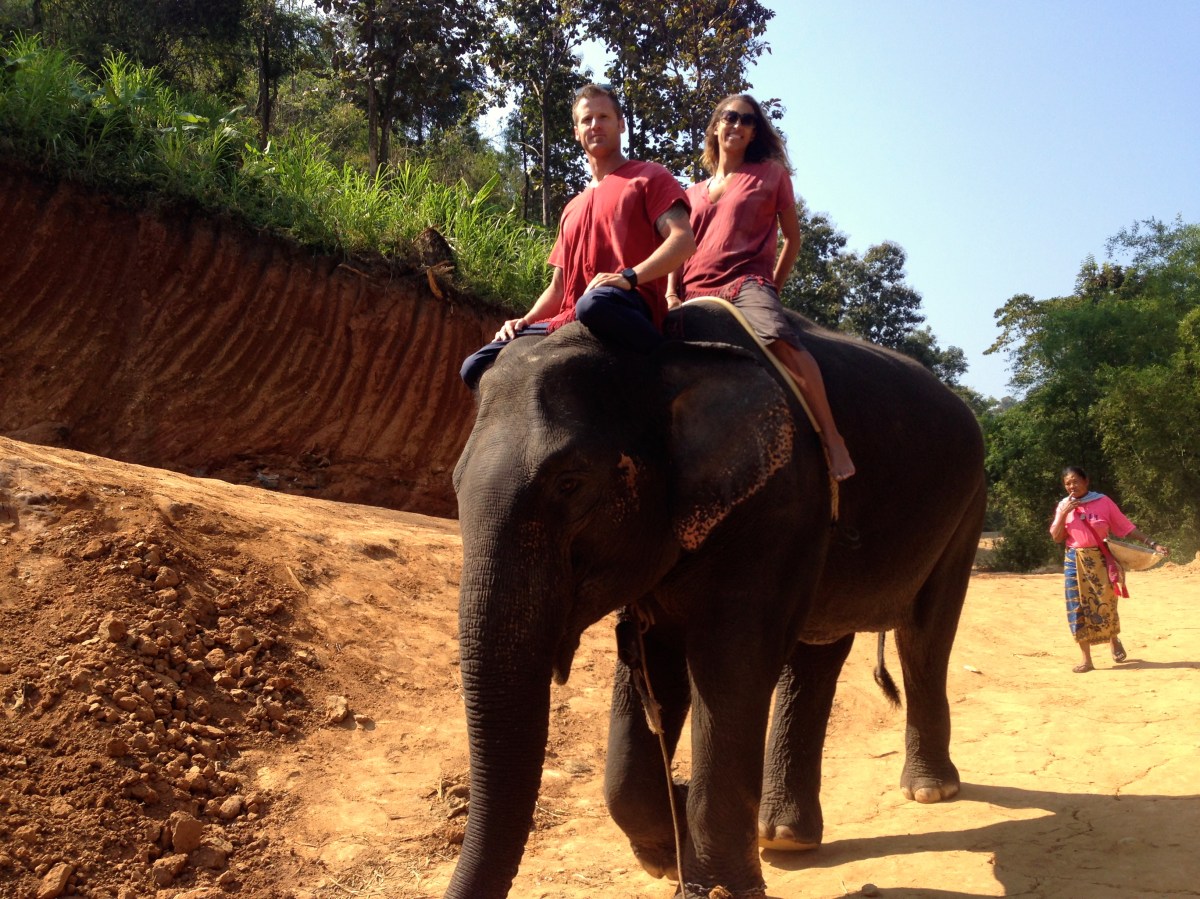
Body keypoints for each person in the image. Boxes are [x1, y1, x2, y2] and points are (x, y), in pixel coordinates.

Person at [666, 93, 854, 481]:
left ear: (755, 133)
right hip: (692, 290)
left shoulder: (771, 175)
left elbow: (793, 239)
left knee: (781, 340)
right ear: (716, 126)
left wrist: (772, 287)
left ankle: (832, 438)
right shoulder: (691, 192)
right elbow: (678, 247)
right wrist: (671, 292)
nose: (738, 125)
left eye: (748, 120)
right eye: (730, 117)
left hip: (744, 283)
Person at [460, 84, 695, 388]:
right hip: (571, 314)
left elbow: (682, 240)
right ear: (576, 132)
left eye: (603, 117)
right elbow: (559, 287)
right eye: (587, 120)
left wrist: (629, 277)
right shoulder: (572, 208)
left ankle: (669, 365)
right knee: (473, 366)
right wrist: (526, 320)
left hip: (625, 305)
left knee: (593, 304)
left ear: (621, 124)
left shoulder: (650, 177)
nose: (595, 125)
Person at [1049, 465, 1169, 673]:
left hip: (1101, 560)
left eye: (1076, 481)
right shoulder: (1063, 506)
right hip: (1074, 561)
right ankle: (1086, 660)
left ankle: (1113, 639)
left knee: (1106, 604)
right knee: (1077, 608)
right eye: (1068, 483)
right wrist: (1063, 514)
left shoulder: (1103, 502)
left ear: (1086, 481)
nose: (1072, 486)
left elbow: (1126, 527)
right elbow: (1056, 537)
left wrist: (1153, 544)